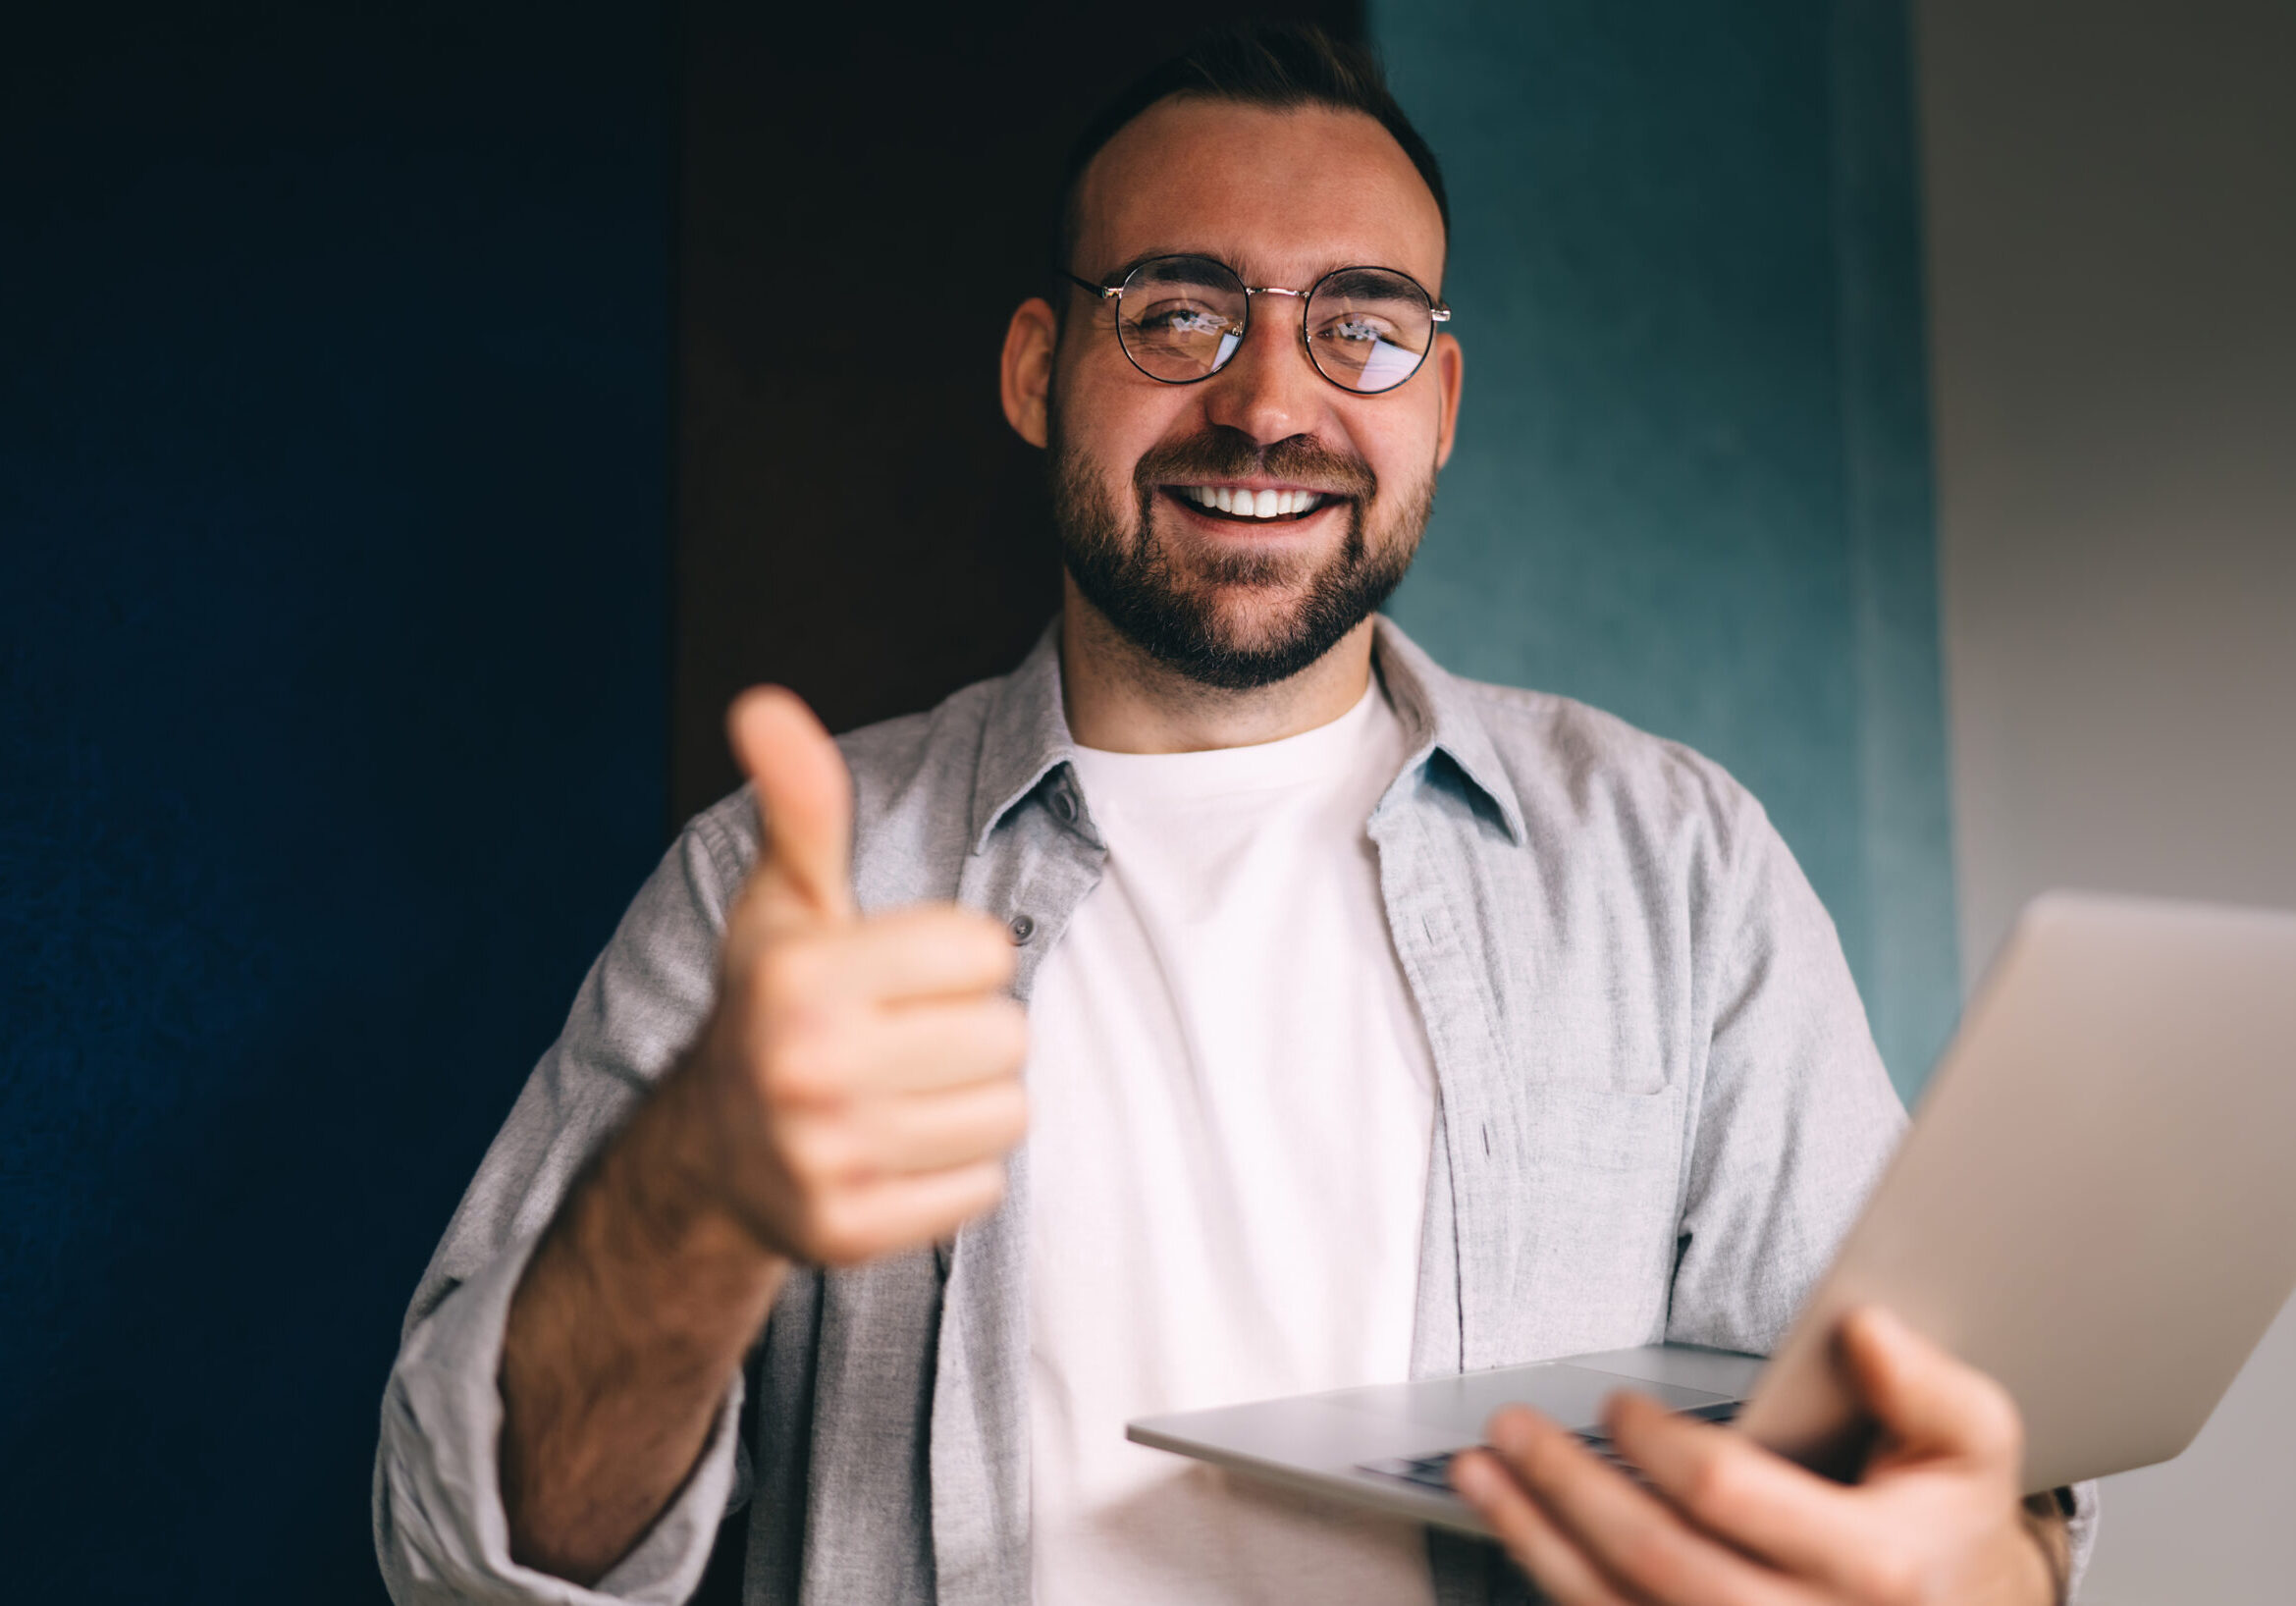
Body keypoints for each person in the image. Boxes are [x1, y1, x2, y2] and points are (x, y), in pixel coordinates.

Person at [373, 24, 2086, 1606]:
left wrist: (1991, 1577)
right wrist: (699, 1195)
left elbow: (1947, 1472)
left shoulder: (1677, 866)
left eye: (1361, 324)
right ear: (1040, 370)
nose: (1270, 402)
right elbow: (468, 1558)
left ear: (1441, 402)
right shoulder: (777, 889)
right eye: (1178, 311)